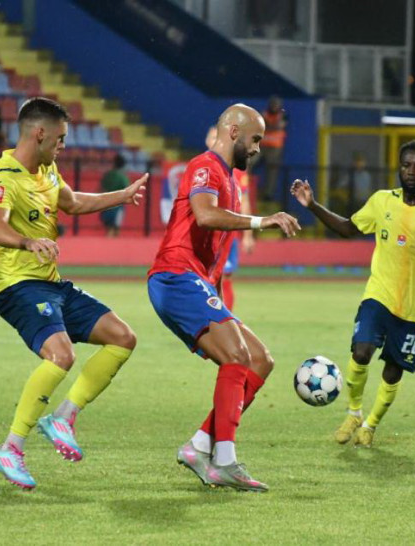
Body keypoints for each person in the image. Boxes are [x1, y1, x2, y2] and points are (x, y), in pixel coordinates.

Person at [0, 97, 148, 490]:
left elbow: (72, 202)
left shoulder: (47, 169)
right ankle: (11, 448)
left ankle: (63, 417)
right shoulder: (3, 175)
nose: (63, 145)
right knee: (61, 355)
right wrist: (27, 241)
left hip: (52, 284)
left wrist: (121, 196)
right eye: (59, 138)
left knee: (122, 337)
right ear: (39, 133)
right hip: (16, 285)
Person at [147, 103, 300, 492]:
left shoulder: (230, 179)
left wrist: (216, 296)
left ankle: (200, 445)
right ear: (233, 132)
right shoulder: (205, 166)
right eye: (255, 139)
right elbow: (204, 215)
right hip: (175, 276)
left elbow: (212, 248)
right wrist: (261, 221)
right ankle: (225, 460)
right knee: (237, 356)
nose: (258, 148)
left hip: (196, 282)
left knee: (260, 360)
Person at [291, 140, 415, 447]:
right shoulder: (382, 201)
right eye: (406, 165)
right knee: (361, 352)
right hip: (378, 294)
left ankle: (371, 424)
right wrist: (313, 205)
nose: (411, 171)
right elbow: (348, 228)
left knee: (392, 371)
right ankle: (353, 413)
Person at [205, 125, 255, 310]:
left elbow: (245, 201)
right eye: (211, 137)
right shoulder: (201, 167)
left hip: (226, 234)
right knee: (202, 277)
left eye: (217, 137)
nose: (214, 141)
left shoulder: (237, 170)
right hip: (205, 233)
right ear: (206, 141)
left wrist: (248, 235)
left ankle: (226, 318)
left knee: (224, 275)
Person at [256, 96, 287, 201]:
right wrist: (270, 126)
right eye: (273, 104)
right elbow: (260, 125)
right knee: (249, 162)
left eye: (276, 104)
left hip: (275, 147)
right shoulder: (264, 113)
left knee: (272, 170)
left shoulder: (282, 115)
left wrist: (268, 126)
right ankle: (245, 185)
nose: (274, 106)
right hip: (261, 145)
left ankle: (268, 194)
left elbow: (279, 126)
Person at [100, 153, 129, 237]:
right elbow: (127, 189)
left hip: (106, 203)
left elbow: (101, 189)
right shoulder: (123, 176)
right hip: (118, 205)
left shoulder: (108, 175)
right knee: (115, 229)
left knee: (108, 228)